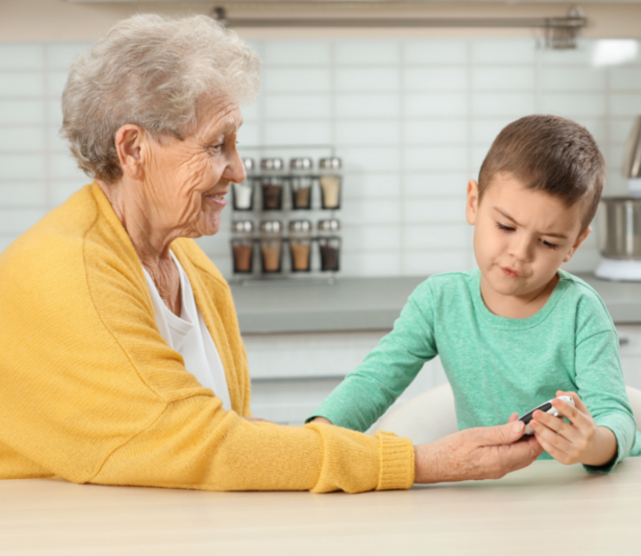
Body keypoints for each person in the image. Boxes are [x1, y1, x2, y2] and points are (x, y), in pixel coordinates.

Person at [0, 13, 543, 493]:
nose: (238, 170)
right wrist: (421, 463)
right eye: (217, 145)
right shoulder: (70, 275)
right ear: (133, 149)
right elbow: (208, 445)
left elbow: (229, 441)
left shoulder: (191, 268)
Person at [310, 115, 641, 472]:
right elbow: (374, 382)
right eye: (505, 226)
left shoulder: (582, 310)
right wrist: (317, 437)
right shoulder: (439, 301)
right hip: (498, 495)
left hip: (598, 492)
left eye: (548, 242)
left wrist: (593, 445)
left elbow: (617, 416)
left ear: (574, 245)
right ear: (473, 202)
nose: (520, 252)